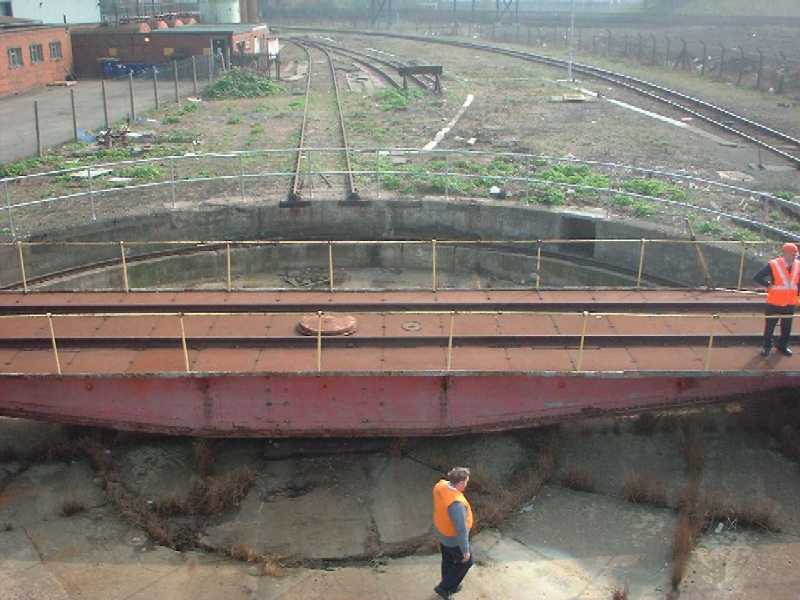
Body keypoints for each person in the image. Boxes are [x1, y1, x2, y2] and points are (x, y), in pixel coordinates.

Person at [432, 467, 474, 599]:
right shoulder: (456, 505)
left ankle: (451, 585)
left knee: (448, 559)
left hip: (442, 532)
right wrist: (465, 550)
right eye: (466, 482)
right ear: (460, 483)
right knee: (467, 562)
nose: (466, 484)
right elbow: (461, 531)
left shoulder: (441, 485)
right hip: (453, 539)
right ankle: (444, 588)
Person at [754, 242, 800, 357]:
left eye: (795, 254)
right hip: (774, 301)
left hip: (790, 302)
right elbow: (757, 277)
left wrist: (798, 298)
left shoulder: (798, 265)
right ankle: (766, 347)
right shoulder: (773, 264)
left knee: (787, 327)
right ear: (785, 253)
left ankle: (782, 346)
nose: (795, 256)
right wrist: (768, 285)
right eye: (792, 254)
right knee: (770, 327)